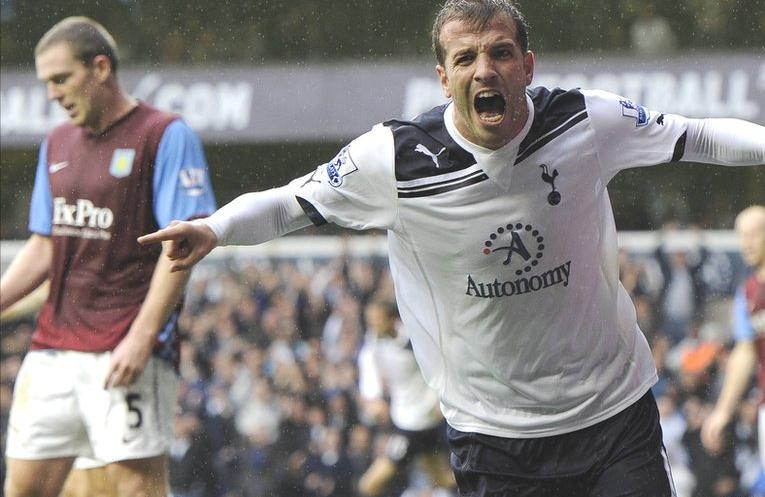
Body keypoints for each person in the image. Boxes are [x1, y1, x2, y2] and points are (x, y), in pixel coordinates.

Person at [139, 1, 765, 495]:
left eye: (499, 53)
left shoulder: (584, 122)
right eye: (465, 58)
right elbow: (288, 203)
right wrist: (215, 228)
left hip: (615, 412)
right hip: (495, 437)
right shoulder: (395, 159)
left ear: (528, 64)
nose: (484, 70)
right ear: (443, 78)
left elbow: (700, 135)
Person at [0, 16, 216, 497]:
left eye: (61, 79)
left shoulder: (165, 134)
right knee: (23, 489)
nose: (52, 94)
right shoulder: (55, 143)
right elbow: (45, 244)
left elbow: (179, 246)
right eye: (45, 83)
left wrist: (141, 337)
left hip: (125, 351)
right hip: (52, 351)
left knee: (137, 491)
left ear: (100, 68)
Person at [356, 298, 454, 496]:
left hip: (416, 425)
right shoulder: (373, 341)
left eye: (377, 319)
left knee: (368, 485)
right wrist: (372, 399)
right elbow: (368, 367)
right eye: (370, 320)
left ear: (392, 319)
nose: (373, 325)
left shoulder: (413, 340)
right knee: (443, 480)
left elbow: (441, 366)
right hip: (413, 422)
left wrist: (440, 398)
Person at [701, 206, 765, 463]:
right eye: (741, 235)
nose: (746, 243)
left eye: (754, 234)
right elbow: (745, 352)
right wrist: (723, 411)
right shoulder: (747, 292)